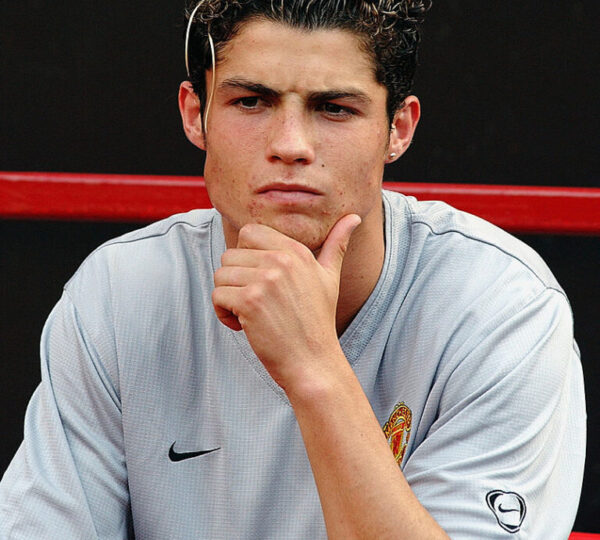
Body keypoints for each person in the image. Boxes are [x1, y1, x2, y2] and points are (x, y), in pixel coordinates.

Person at [0, 1, 586, 538]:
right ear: (195, 114)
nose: (290, 144)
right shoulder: (120, 292)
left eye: (334, 108)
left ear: (398, 129)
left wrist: (314, 367)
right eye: (250, 101)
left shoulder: (500, 306)